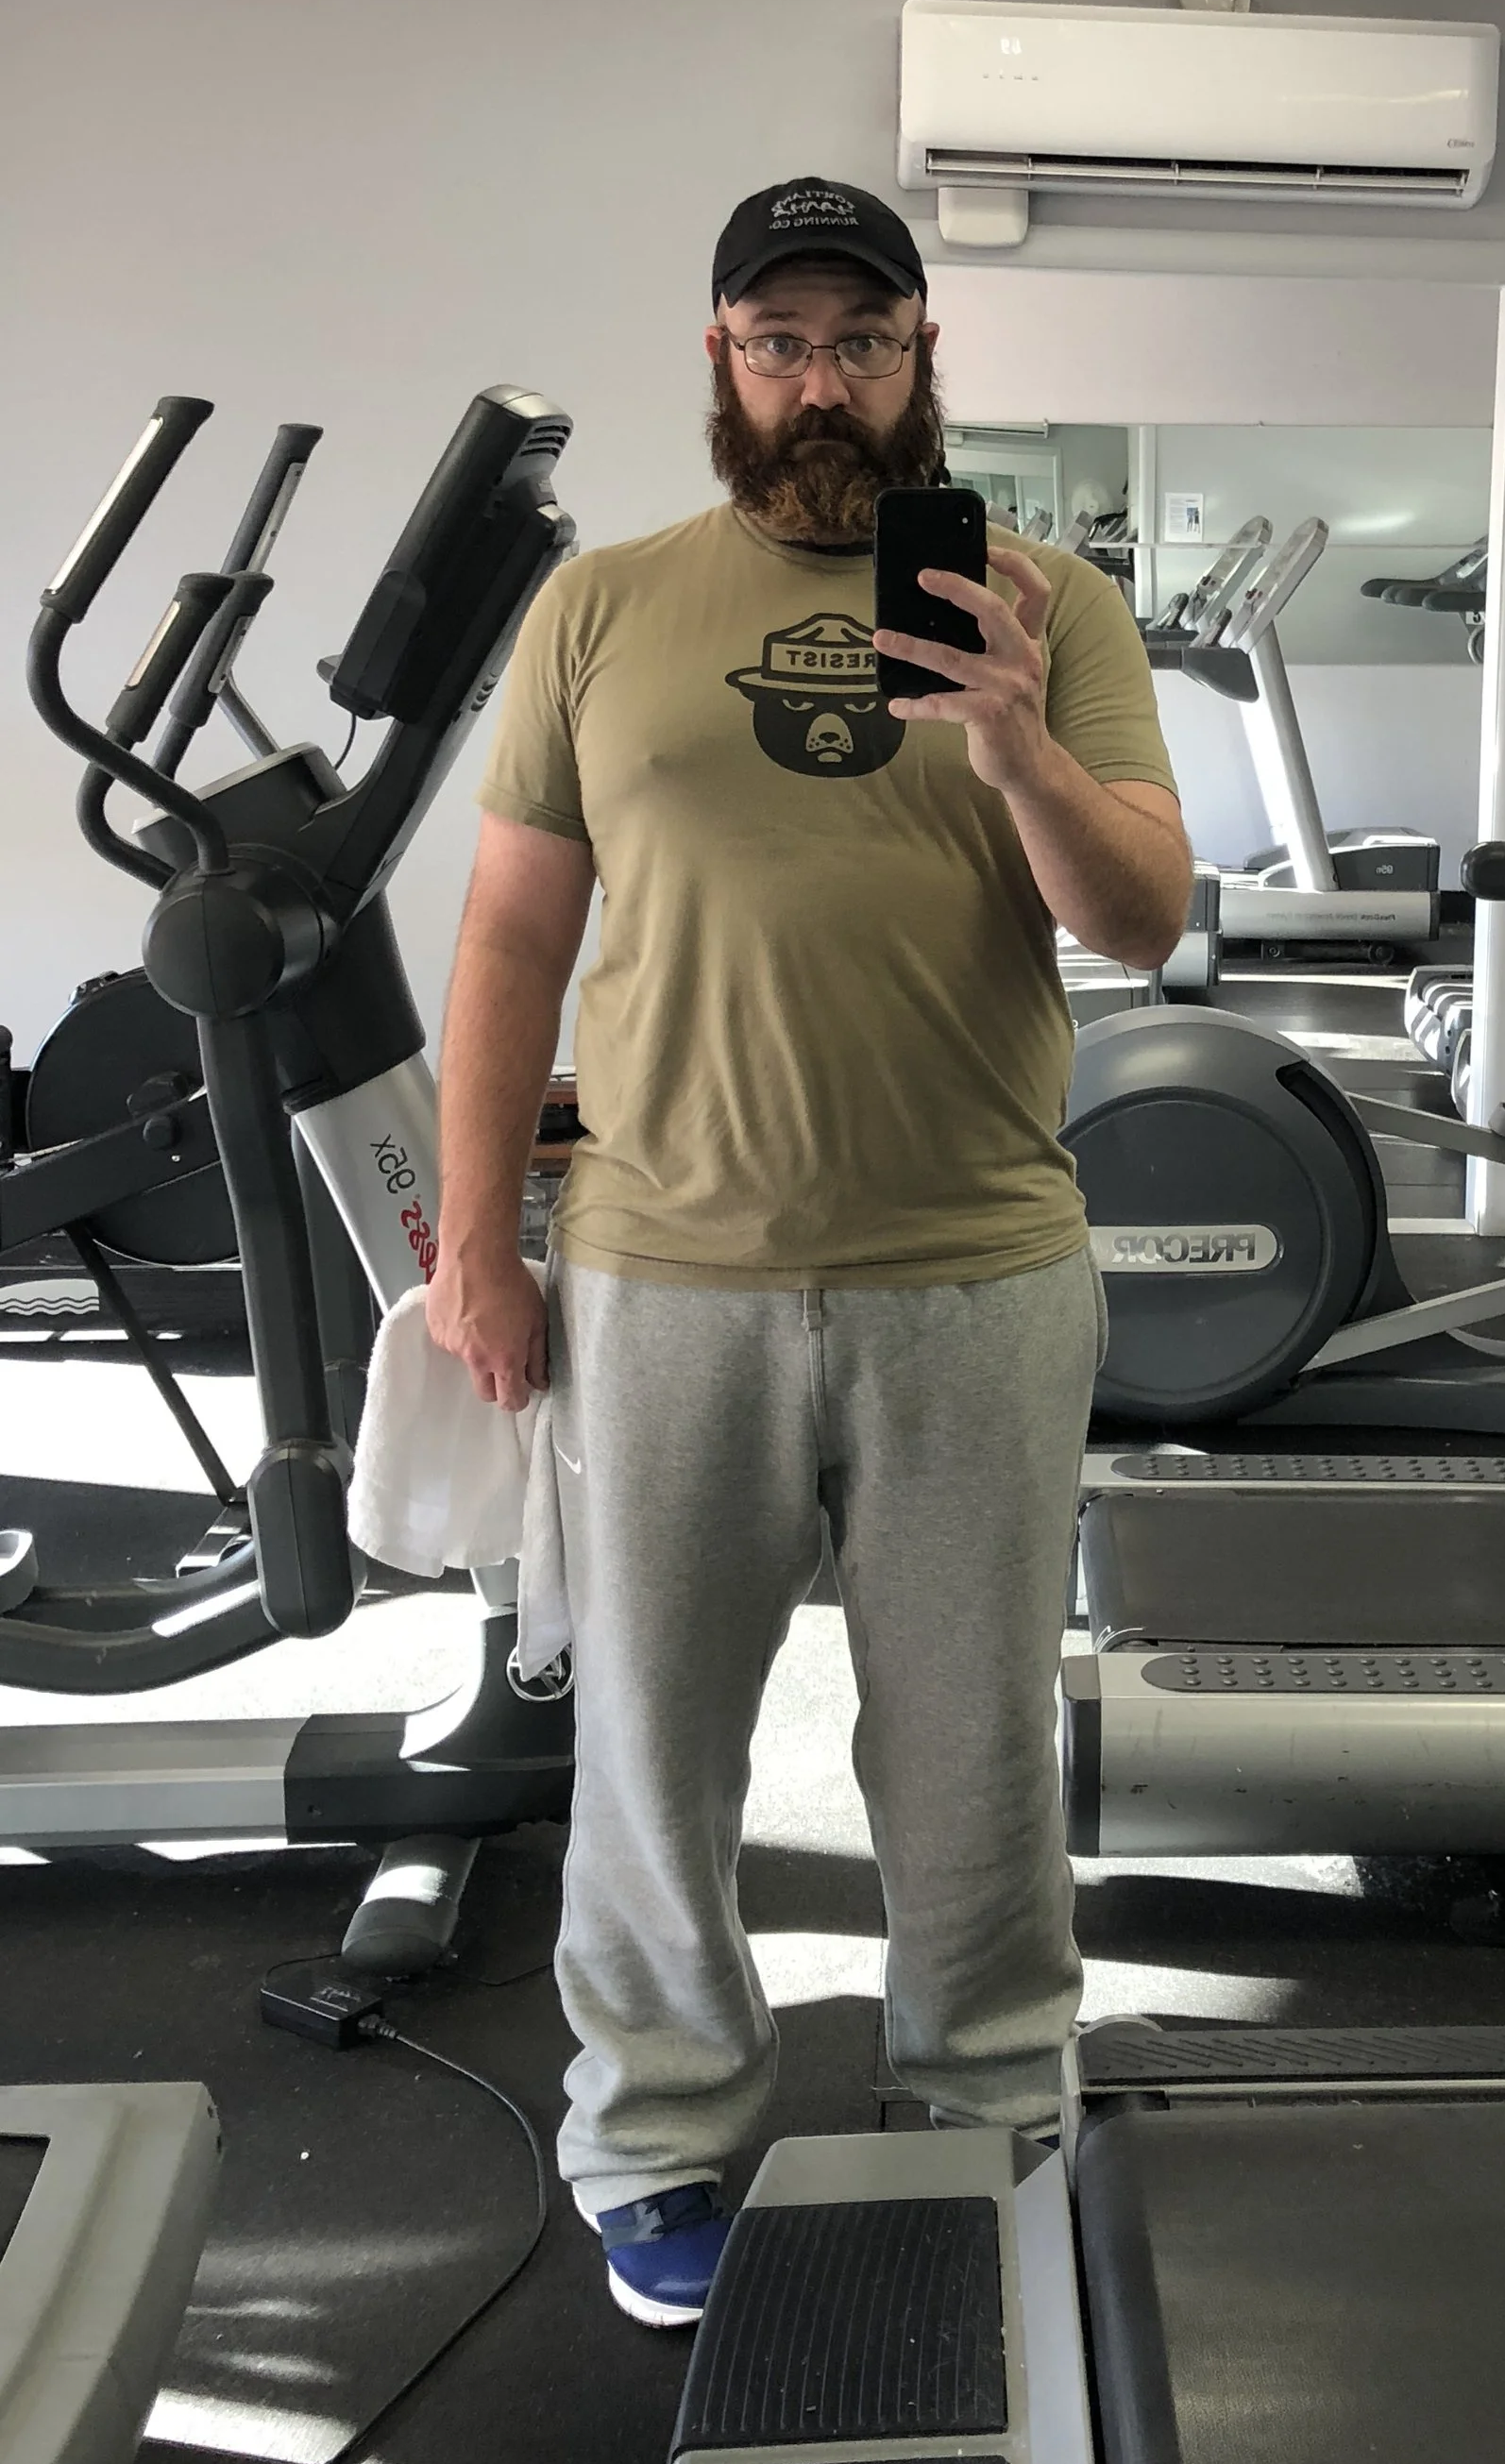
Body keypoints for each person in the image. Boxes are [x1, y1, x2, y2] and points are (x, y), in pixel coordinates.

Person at [426, 177, 1192, 2325]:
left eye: (862, 338)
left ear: (923, 350)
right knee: (655, 1737)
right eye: (779, 339)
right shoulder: (598, 608)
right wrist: (479, 1238)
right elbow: (507, 932)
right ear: (718, 358)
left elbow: (1136, 920)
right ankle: (661, 2132)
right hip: (667, 1268)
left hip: (977, 1266)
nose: (820, 379)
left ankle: (981, 2098)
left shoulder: (1048, 603)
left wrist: (1013, 732)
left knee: (964, 1739)